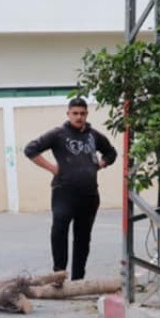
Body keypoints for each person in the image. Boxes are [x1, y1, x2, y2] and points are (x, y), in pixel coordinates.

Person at [23, 98, 118, 281]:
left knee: (83, 237)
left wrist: (101, 163)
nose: (79, 117)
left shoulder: (94, 136)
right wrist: (52, 168)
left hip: (89, 194)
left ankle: (78, 279)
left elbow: (111, 153)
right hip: (63, 193)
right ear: (68, 114)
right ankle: (59, 274)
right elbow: (30, 150)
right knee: (59, 230)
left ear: (87, 114)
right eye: (75, 113)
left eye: (82, 113)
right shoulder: (58, 134)